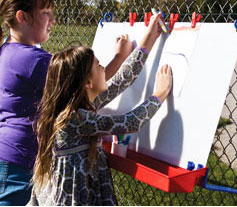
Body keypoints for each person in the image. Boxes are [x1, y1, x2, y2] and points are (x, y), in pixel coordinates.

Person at [28, 12, 172, 206]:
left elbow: (123, 78)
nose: (104, 68)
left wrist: (150, 38)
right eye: (98, 65)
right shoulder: (75, 118)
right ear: (88, 82)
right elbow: (131, 122)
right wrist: (159, 94)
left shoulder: (80, 104)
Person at [0, 0, 133, 205]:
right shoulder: (33, 60)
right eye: (45, 13)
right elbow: (87, 86)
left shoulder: (8, 50)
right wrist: (120, 57)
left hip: (11, 157)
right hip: (20, 164)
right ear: (22, 17)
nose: (53, 20)